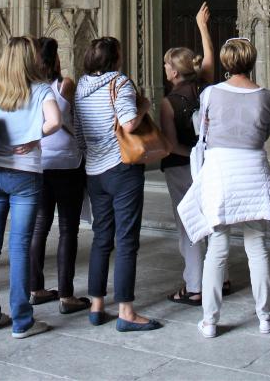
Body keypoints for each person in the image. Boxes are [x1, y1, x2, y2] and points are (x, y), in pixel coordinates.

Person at [178, 38, 270, 338]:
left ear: (226, 63)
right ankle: (266, 317)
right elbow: (264, 133)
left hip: (221, 171)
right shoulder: (267, 96)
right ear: (252, 61)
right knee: (257, 247)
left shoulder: (211, 93)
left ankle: (210, 321)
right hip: (253, 170)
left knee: (217, 248)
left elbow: (204, 129)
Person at [0, 36, 61, 338]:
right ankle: (22, 321)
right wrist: (33, 137)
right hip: (24, 175)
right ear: (29, 60)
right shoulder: (41, 89)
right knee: (20, 246)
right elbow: (55, 122)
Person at [74, 36, 161, 332]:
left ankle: (97, 305)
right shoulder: (120, 82)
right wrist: (145, 104)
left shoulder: (81, 87)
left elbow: (79, 136)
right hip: (121, 168)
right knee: (126, 239)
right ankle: (126, 311)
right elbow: (128, 124)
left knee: (101, 237)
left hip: (94, 170)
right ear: (115, 58)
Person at [28, 37, 90, 313]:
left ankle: (35, 288)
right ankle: (66, 295)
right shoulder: (65, 85)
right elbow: (76, 116)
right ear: (56, 59)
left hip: (40, 163)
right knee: (68, 230)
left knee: (39, 227)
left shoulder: (28, 89)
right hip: (68, 162)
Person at [160, 2, 216, 306]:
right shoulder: (205, 85)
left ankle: (195, 287)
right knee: (208, 222)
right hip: (206, 164)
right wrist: (202, 26)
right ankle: (215, 276)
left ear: (173, 71)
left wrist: (191, 152)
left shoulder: (168, 102)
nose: (165, 69)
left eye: (167, 65)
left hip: (182, 166)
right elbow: (208, 58)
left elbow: (169, 145)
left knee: (189, 226)